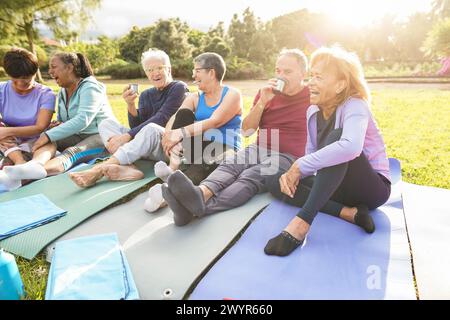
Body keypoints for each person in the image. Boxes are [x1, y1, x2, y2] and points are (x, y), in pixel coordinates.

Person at [264, 46, 392, 257]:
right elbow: (311, 153)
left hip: (371, 188)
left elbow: (350, 147)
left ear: (340, 85)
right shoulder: (312, 111)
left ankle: (302, 223)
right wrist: (293, 174)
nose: (310, 82)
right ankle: (348, 213)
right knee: (274, 178)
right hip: (336, 185)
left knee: (337, 140)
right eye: (311, 76)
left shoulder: (356, 105)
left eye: (319, 77)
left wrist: (299, 166)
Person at [69, 52, 243, 206]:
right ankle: (146, 170)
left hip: (220, 146)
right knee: (179, 119)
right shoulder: (194, 97)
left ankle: (165, 193)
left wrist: (177, 134)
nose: (193, 75)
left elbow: (215, 121)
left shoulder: (231, 94)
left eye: (197, 70)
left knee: (203, 167)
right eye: (149, 70)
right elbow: (174, 118)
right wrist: (168, 135)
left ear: (211, 72)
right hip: (190, 145)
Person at [161, 49, 311, 226]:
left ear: (303, 73)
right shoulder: (266, 94)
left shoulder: (313, 96)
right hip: (259, 148)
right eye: (278, 71)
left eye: (288, 72)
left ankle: (196, 210)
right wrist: (262, 103)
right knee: (231, 165)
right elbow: (247, 131)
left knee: (251, 175)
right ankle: (201, 193)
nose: (281, 76)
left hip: (289, 155)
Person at [0, 51, 117, 187]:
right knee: (44, 142)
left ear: (69, 67)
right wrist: (55, 125)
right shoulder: (62, 92)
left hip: (102, 137)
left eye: (53, 67)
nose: (50, 71)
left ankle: (23, 178)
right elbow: (64, 121)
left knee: (71, 153)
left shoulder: (90, 86)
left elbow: (82, 119)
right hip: (77, 135)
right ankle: (33, 165)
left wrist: (47, 135)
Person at [98, 49, 188, 156]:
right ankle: (127, 159)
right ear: (146, 73)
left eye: (159, 68)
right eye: (149, 70)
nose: (155, 73)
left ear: (168, 69)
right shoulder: (146, 94)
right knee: (106, 123)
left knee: (151, 128)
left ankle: (124, 154)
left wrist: (126, 136)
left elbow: (162, 118)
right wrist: (130, 104)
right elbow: (136, 126)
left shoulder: (179, 88)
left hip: (167, 145)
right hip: (144, 142)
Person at [0, 47, 56, 190]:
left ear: (34, 73)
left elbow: (40, 127)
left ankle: (33, 166)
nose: (20, 84)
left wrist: (7, 131)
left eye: (26, 79)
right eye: (14, 79)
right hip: (9, 142)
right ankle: (20, 163)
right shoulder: (1, 89)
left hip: (36, 139)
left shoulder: (46, 94)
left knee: (49, 139)